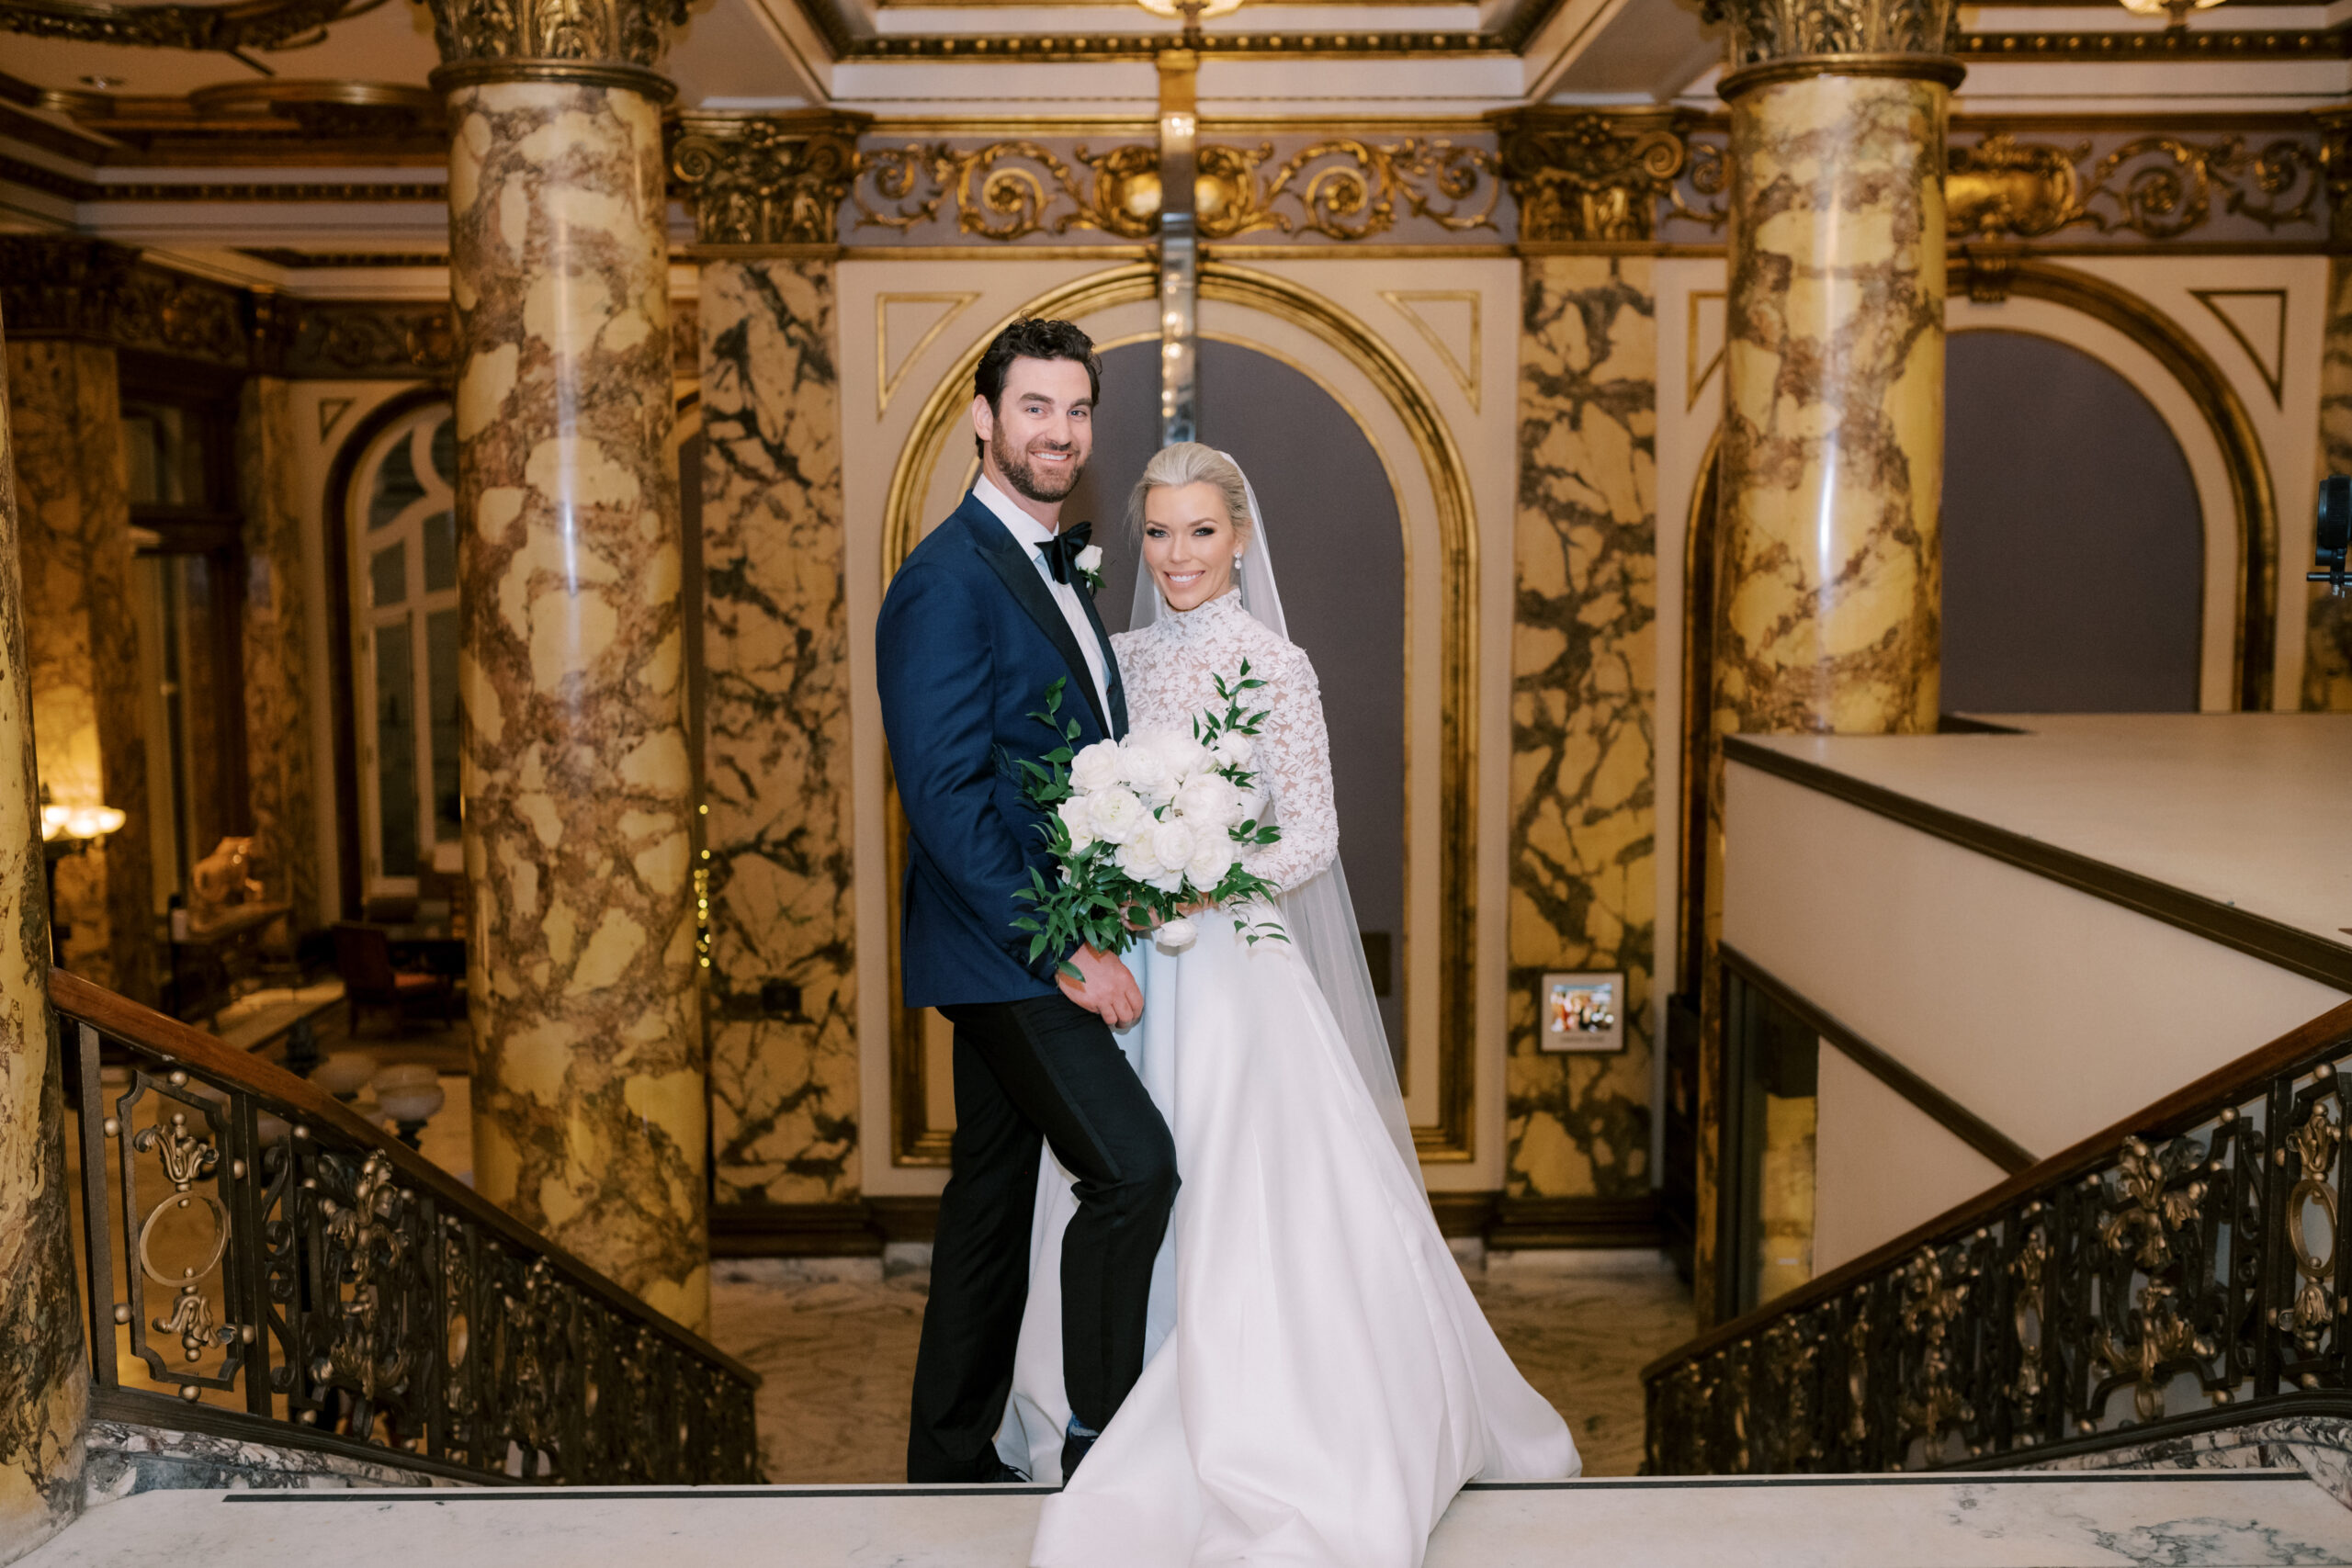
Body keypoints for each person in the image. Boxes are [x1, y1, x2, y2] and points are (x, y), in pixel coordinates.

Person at [1001, 444, 1579, 1567]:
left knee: (1238, 1190)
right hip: (1129, 974)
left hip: (1232, 973)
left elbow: (1314, 835)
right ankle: (1101, 1394)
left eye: (1200, 532)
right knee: (1114, 1177)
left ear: (1241, 537)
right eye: (1160, 533)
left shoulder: (1276, 667)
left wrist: (1200, 871)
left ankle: (1267, 1415)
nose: (1178, 555)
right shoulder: (1113, 658)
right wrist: (1115, 862)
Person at [875, 318, 1176, 1485]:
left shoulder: (1044, 561)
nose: (1059, 432)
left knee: (992, 1200)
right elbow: (947, 799)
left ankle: (948, 1455)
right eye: (1034, 408)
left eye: (1076, 410)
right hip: (1008, 951)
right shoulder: (945, 578)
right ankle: (1110, 1445)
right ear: (982, 420)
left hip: (1037, 932)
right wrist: (1065, 957)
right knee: (1133, 1168)